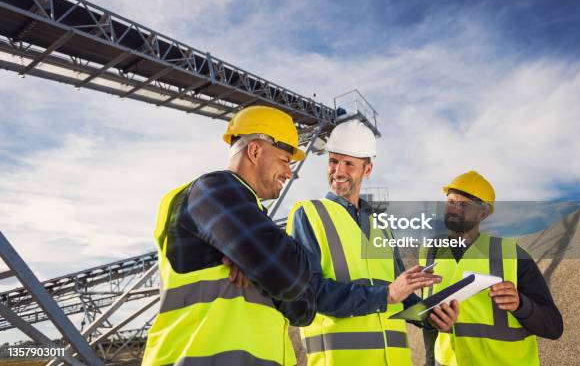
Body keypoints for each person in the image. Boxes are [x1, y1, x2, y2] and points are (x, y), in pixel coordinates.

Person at [141, 105, 316, 366]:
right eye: (284, 161)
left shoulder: (254, 213)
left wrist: (258, 266)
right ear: (255, 151)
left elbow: (305, 309)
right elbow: (290, 277)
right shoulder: (210, 191)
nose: (290, 173)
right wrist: (268, 270)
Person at [287, 120, 459, 366]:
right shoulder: (308, 214)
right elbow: (309, 292)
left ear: (367, 170)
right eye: (333, 161)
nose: (338, 171)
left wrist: (430, 316)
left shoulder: (382, 227)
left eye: (349, 164)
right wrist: (386, 295)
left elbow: (401, 294)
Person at [420, 170, 563, 366]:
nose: (454, 209)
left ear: (484, 212)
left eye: (464, 205)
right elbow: (429, 320)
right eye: (450, 202)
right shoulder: (430, 252)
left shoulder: (512, 254)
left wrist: (521, 304)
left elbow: (553, 327)